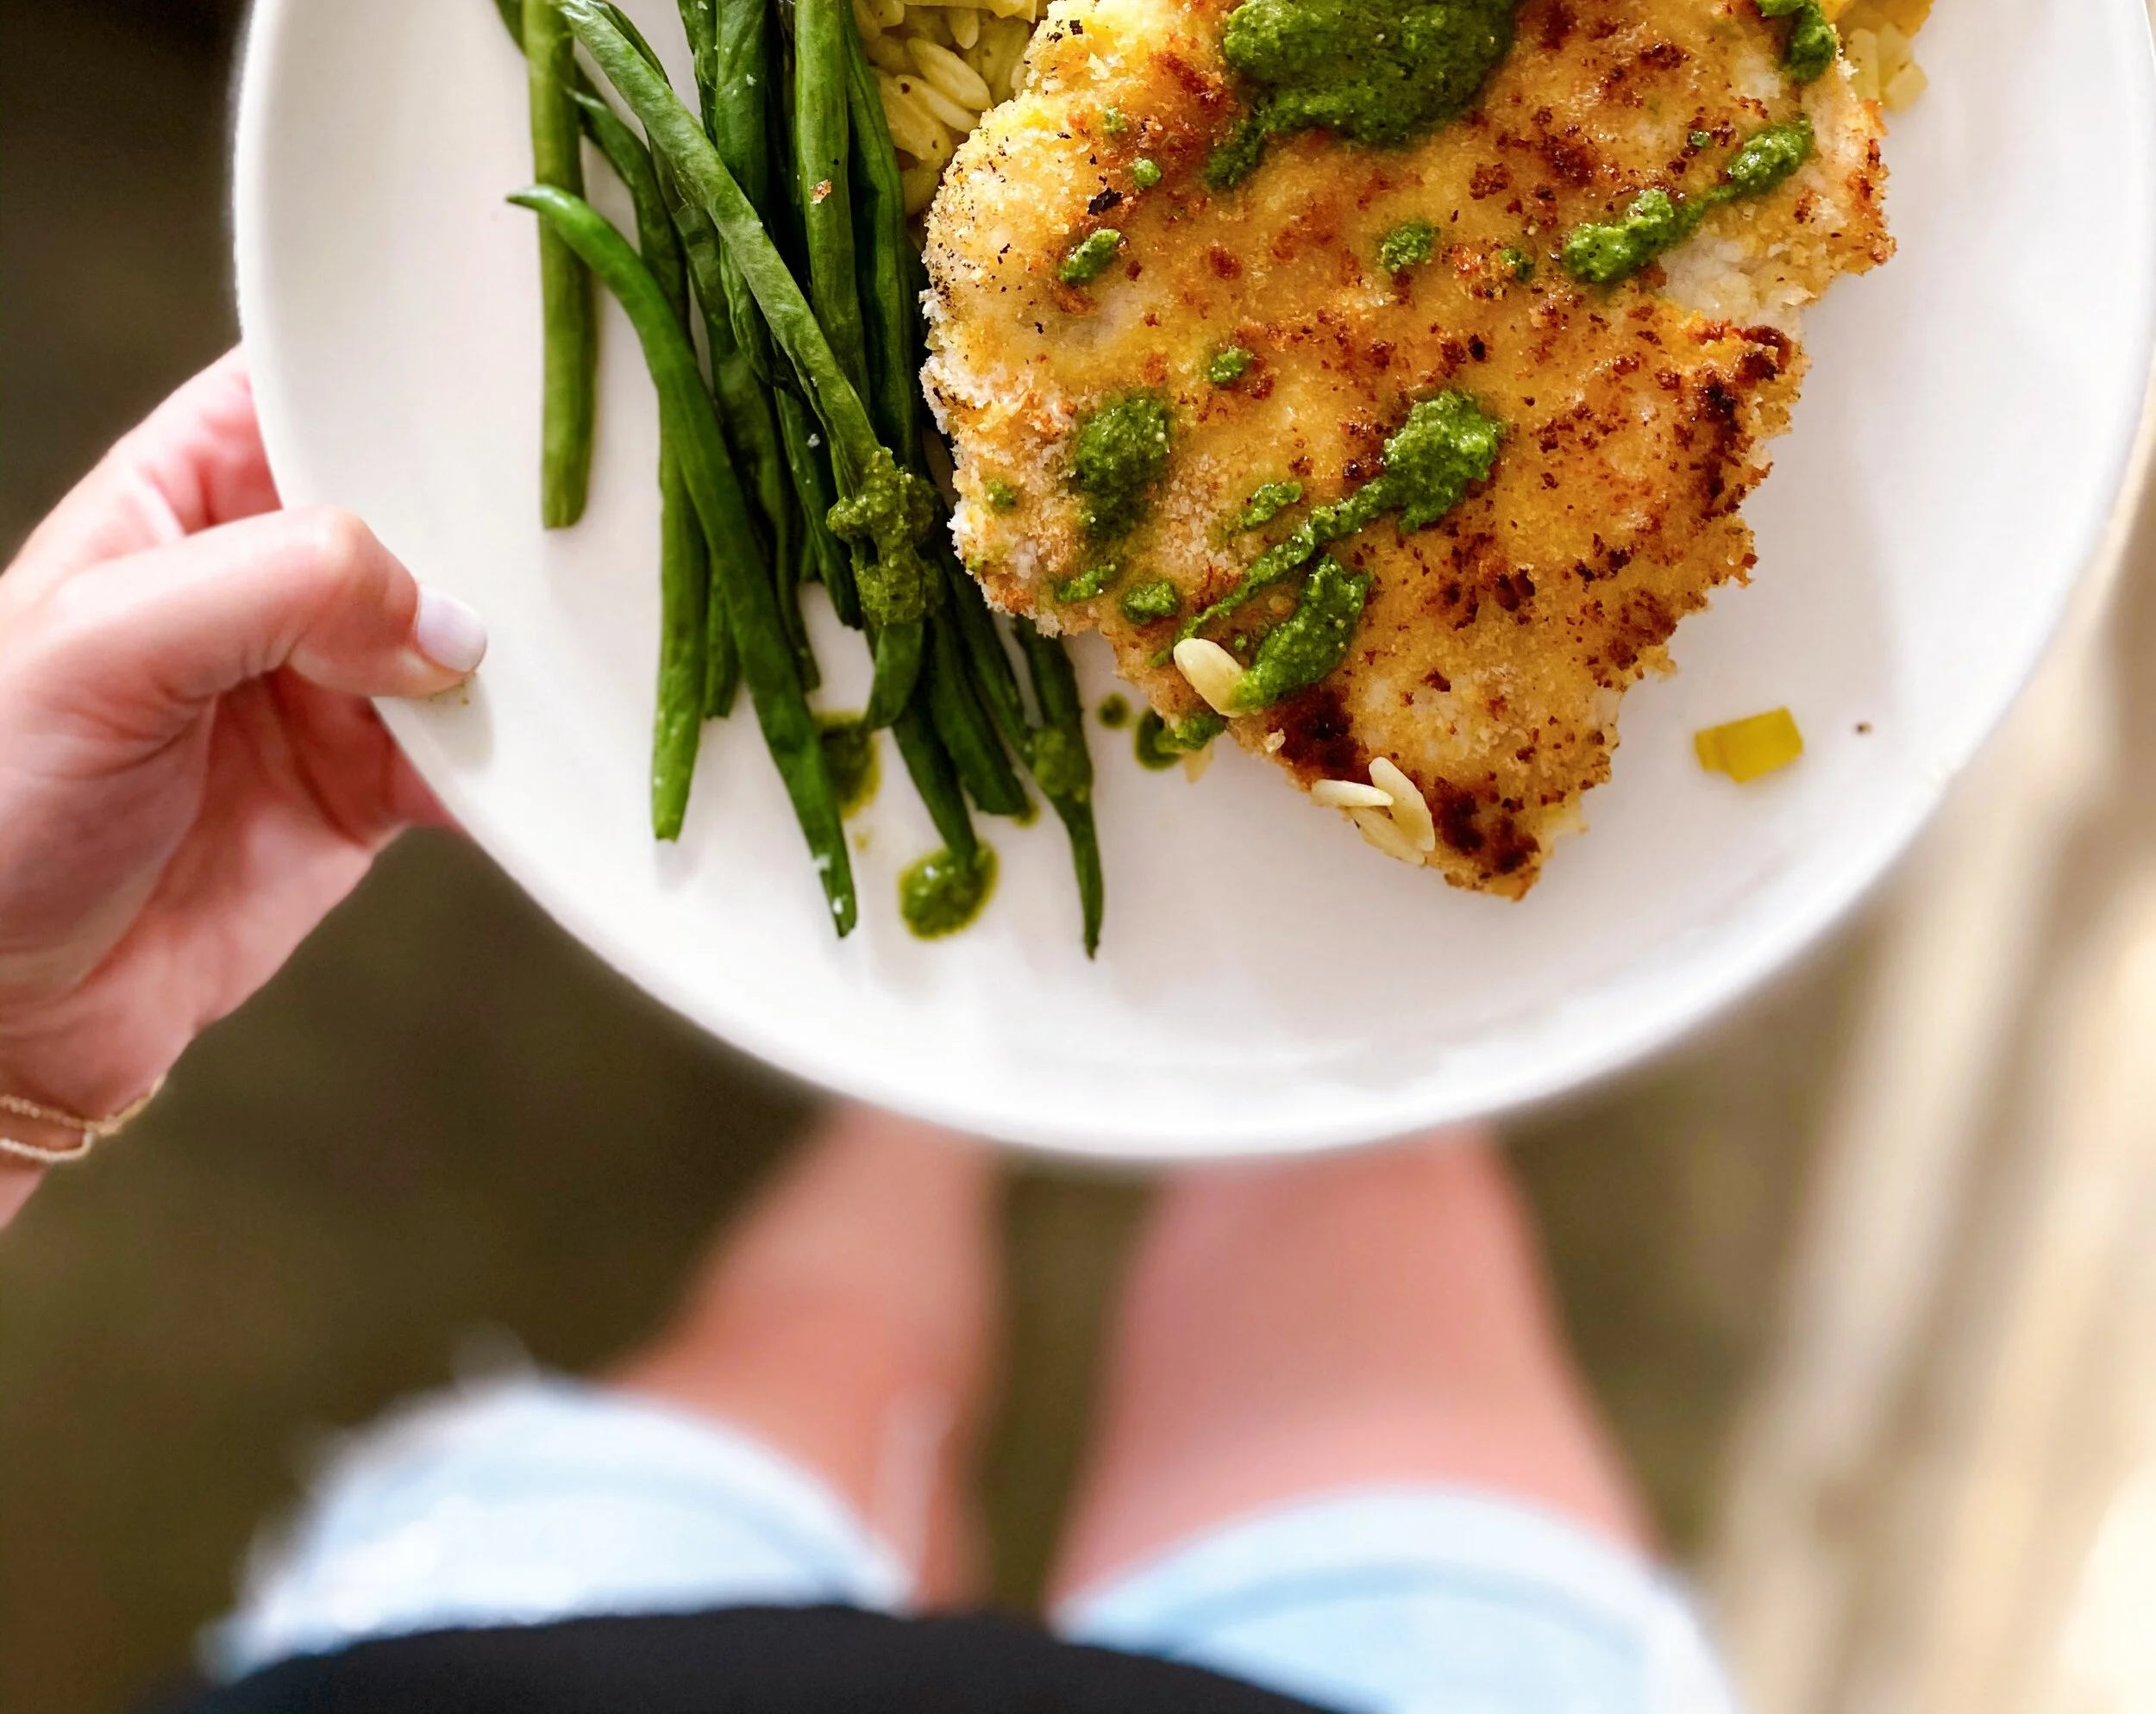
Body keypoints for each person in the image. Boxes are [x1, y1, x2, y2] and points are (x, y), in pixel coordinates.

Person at [0, 353, 1737, 1713]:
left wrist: (18, 1055)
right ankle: (1007, 1065)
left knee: (820, 1342)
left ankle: (931, 1097)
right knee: (1366, 1209)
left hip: (521, 1658)